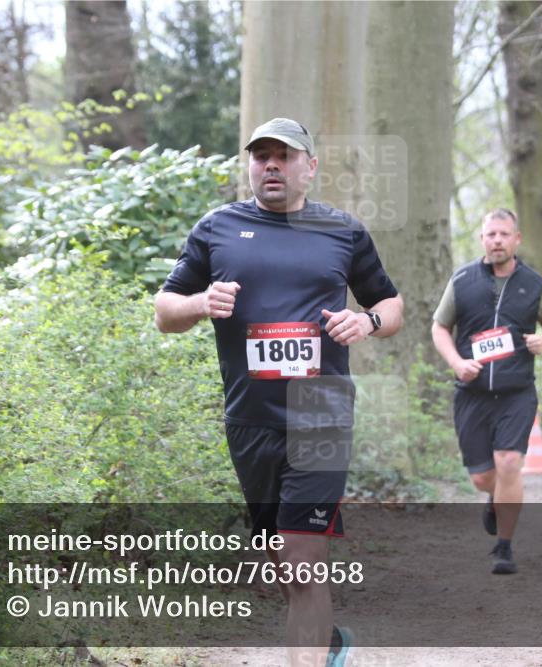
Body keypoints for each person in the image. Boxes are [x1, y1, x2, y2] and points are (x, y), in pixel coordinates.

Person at [155, 117, 404, 667]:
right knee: (281, 558)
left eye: (284, 156)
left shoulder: (344, 231)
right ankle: (327, 640)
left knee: (300, 555)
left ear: (309, 167)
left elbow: (391, 304)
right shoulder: (216, 228)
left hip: (321, 409)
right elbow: (164, 311)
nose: (271, 164)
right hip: (250, 415)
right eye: (261, 155)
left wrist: (367, 323)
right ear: (249, 165)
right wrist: (200, 304)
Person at [431, 208, 542, 575]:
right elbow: (440, 328)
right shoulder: (462, 281)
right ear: (482, 239)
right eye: (491, 235)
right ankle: (493, 497)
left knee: (509, 463)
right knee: (482, 477)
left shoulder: (533, 284)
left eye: (504, 234)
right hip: (471, 391)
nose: (497, 241)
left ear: (516, 239)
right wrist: (457, 362)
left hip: (516, 391)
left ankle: (504, 547)